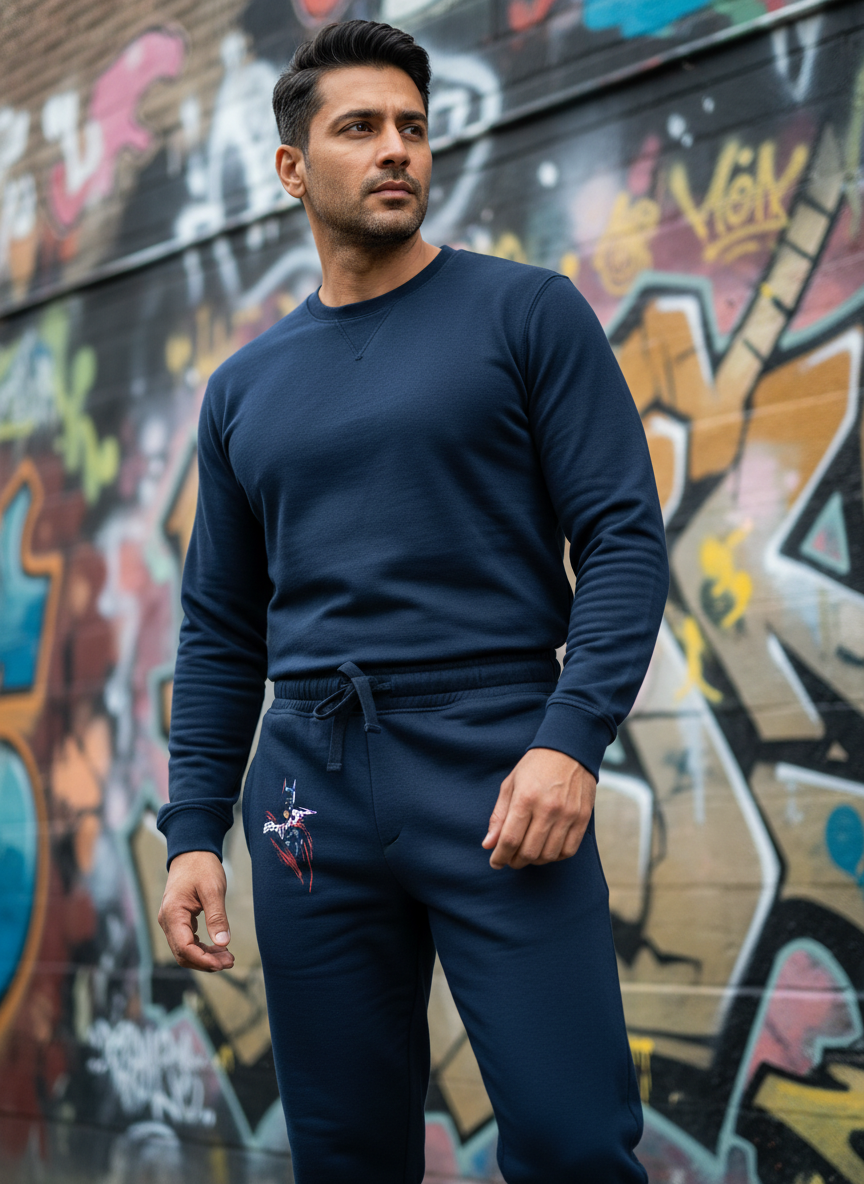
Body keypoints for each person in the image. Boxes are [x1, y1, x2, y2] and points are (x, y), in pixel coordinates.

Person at [157, 19, 668, 1184]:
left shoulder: (526, 313)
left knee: (574, 1138)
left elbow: (624, 539)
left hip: (500, 763)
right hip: (308, 792)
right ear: (293, 168)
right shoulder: (243, 386)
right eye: (360, 128)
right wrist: (193, 831)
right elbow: (222, 629)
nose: (397, 148)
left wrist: (570, 740)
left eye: (414, 127)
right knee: (344, 1154)